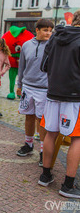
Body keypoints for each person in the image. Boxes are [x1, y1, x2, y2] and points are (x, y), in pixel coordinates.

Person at [38, 11, 80, 199]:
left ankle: (45, 175)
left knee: (51, 133)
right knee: (77, 139)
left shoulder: (56, 37)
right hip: (75, 96)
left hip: (53, 93)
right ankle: (68, 185)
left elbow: (44, 66)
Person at [15, 19, 54, 167]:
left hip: (44, 89)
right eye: (45, 30)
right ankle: (28, 144)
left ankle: (43, 151)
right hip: (28, 87)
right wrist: (19, 84)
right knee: (29, 117)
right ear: (37, 30)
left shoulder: (52, 46)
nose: (48, 33)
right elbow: (22, 67)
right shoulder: (26, 45)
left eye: (50, 30)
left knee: (41, 120)